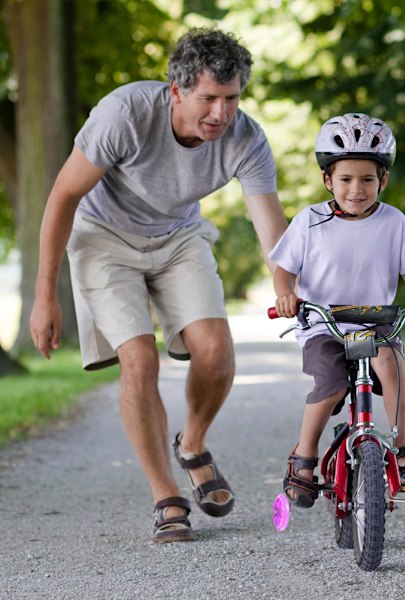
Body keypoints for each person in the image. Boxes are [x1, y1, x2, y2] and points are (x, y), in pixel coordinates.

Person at [29, 27, 287, 542]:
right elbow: (62, 197)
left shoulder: (246, 138)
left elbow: (270, 227)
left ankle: (192, 444)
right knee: (140, 359)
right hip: (103, 239)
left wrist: (287, 287)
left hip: (177, 237)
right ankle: (165, 494)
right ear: (176, 90)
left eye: (232, 98)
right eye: (208, 98)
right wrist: (44, 296)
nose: (221, 114)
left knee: (215, 351)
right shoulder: (124, 114)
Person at [270, 113, 405, 508]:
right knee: (330, 383)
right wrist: (285, 295)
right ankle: (304, 456)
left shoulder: (394, 222)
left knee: (391, 362)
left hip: (375, 323)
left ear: (382, 181)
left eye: (367, 179)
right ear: (328, 180)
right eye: (346, 179)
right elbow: (284, 271)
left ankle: (404, 451)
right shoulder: (309, 221)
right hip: (323, 324)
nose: (357, 189)